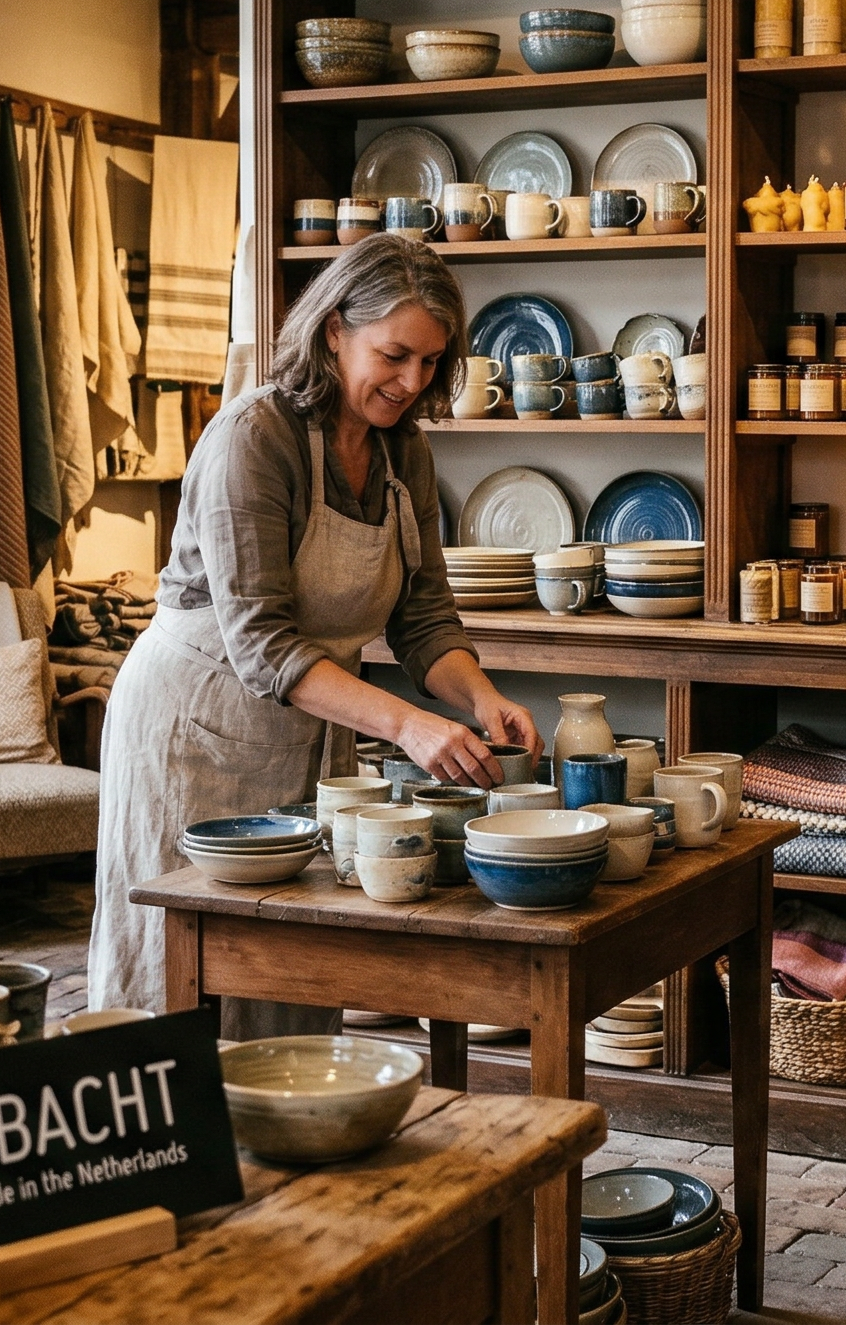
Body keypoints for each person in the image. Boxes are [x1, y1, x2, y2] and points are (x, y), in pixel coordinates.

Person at [88, 233, 541, 1017]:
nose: (411, 382)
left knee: (292, 970)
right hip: (193, 732)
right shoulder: (253, 439)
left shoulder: (406, 454)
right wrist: (408, 726)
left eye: (432, 362)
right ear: (334, 329)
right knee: (177, 982)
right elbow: (263, 645)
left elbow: (424, 616)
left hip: (309, 733)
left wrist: (478, 699)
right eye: (394, 354)